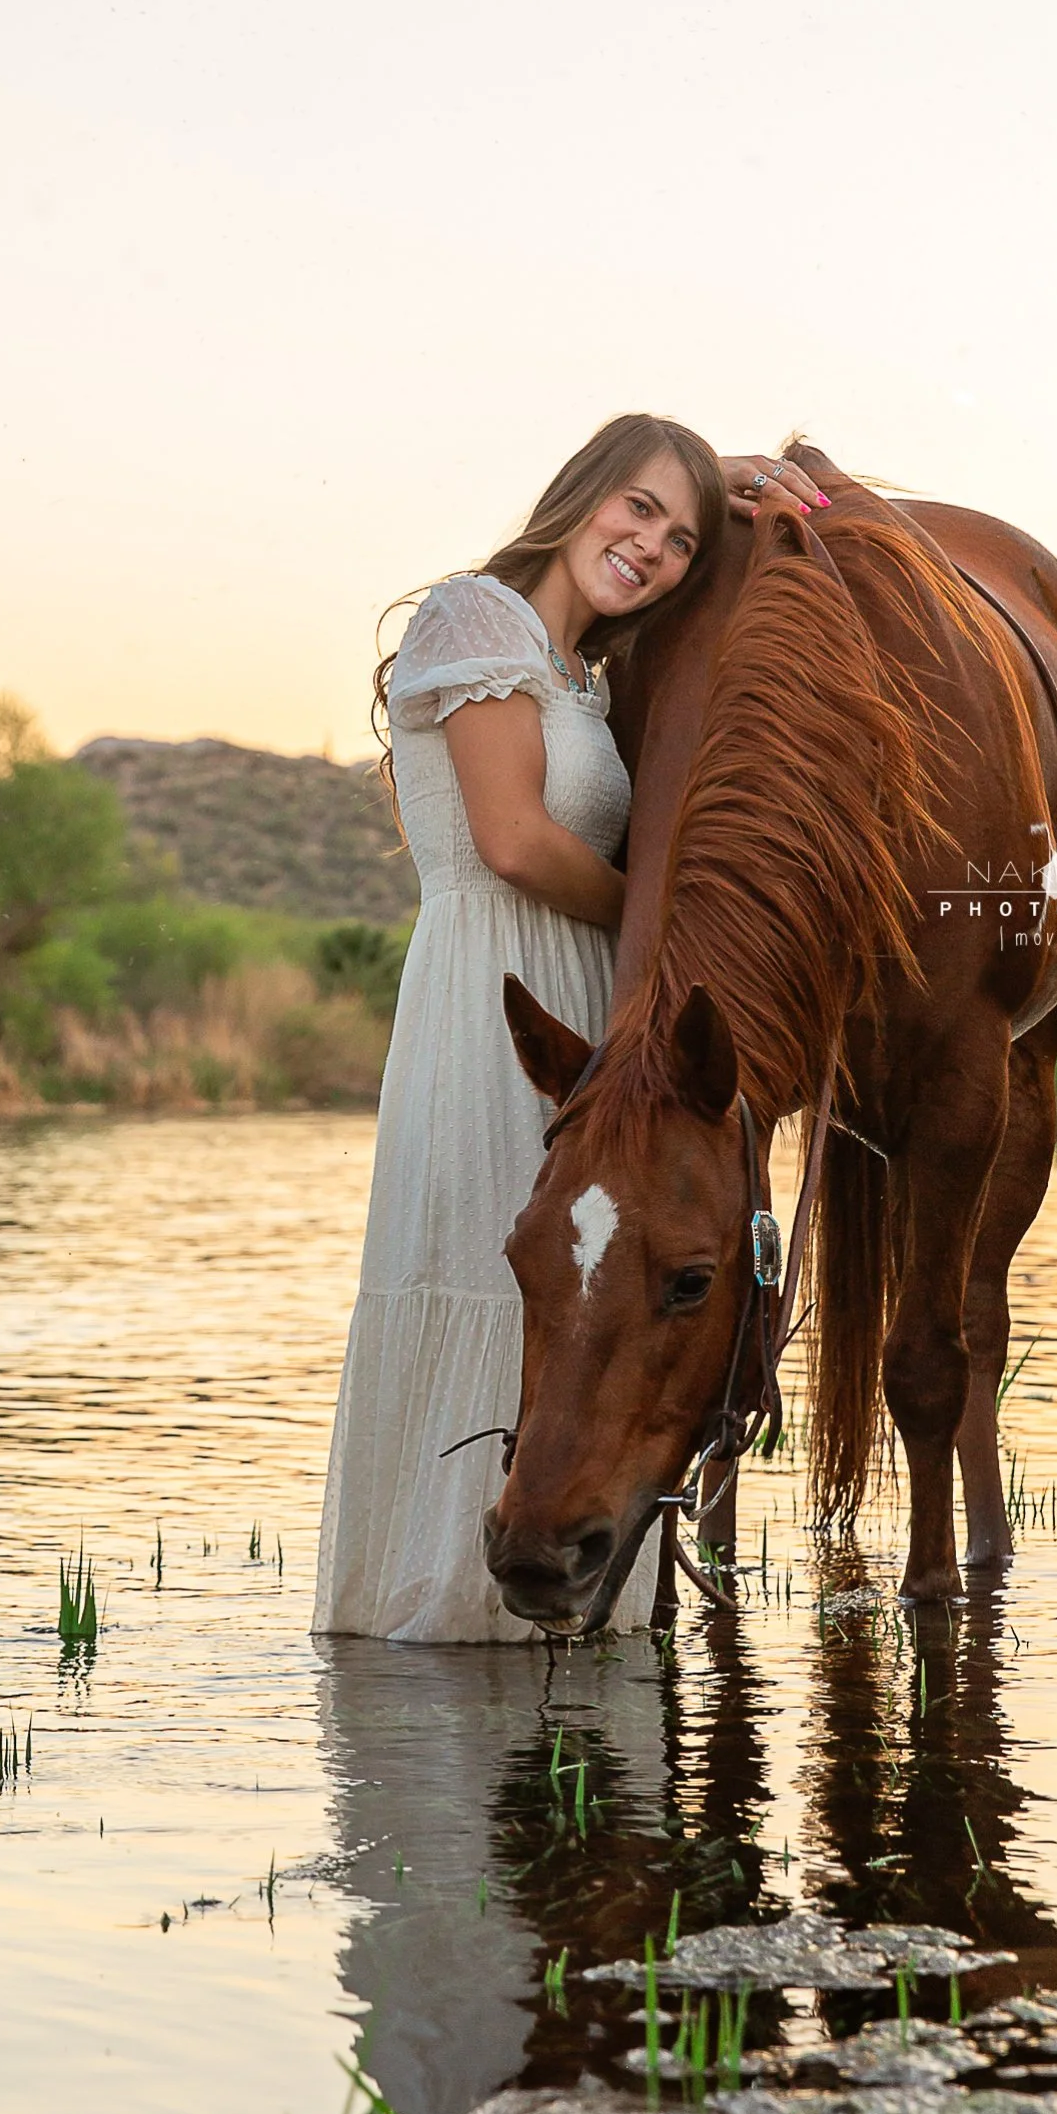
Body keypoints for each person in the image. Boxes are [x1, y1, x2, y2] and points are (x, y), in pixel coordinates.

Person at [314, 416, 827, 1645]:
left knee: (596, 1309)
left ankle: (574, 1581)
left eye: (681, 537)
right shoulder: (475, 618)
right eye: (636, 510)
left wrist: (736, 476)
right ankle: (443, 1614)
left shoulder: (585, 678)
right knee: (500, 1283)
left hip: (594, 1010)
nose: (650, 546)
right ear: (580, 495)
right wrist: (658, 928)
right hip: (496, 987)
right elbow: (514, 839)